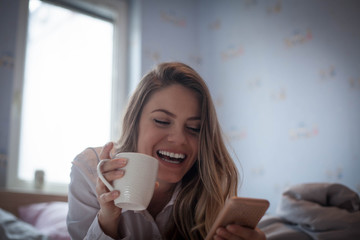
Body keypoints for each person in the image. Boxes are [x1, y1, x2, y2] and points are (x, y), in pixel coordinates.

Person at [67, 62, 266, 240]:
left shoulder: (207, 187)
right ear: (134, 122)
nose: (179, 139)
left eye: (194, 128)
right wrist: (108, 219)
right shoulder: (90, 170)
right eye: (162, 121)